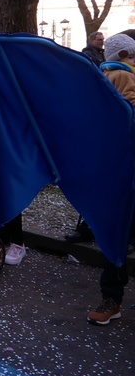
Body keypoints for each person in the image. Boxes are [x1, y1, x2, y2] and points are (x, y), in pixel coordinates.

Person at [86, 33, 135, 325]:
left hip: (117, 168)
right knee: (116, 236)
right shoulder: (120, 76)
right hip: (120, 170)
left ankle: (112, 299)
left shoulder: (104, 75)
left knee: (117, 237)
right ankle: (112, 298)